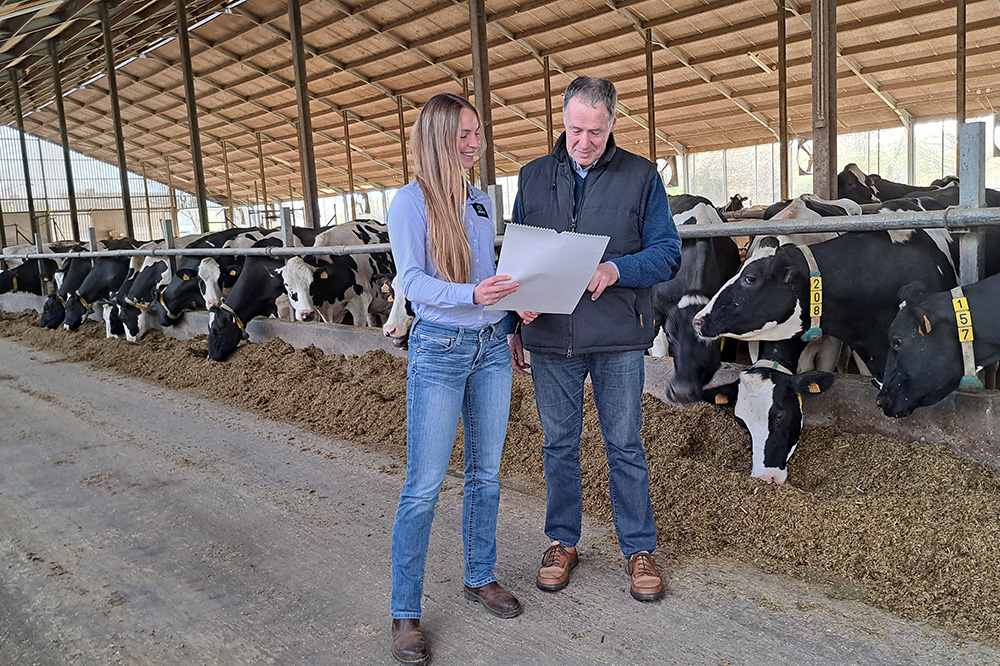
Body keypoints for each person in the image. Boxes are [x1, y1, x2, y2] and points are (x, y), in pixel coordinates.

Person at [506, 77, 682, 603]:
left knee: (624, 444)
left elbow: (668, 252)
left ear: (613, 124)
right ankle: (562, 540)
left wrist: (616, 268)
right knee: (558, 443)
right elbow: (518, 259)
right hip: (550, 336)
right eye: (575, 130)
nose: (584, 142)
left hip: (617, 336)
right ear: (561, 122)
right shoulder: (533, 177)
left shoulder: (641, 176)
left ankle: (638, 548)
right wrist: (515, 318)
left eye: (596, 132)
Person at [386, 92, 522, 666]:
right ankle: (405, 612)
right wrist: (469, 294)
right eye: (465, 135)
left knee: (485, 473)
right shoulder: (409, 203)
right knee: (424, 485)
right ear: (440, 138)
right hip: (440, 348)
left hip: (491, 345)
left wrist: (517, 307)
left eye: (478, 133)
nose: (476, 144)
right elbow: (411, 281)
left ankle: (479, 574)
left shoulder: (481, 201)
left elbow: (492, 275)